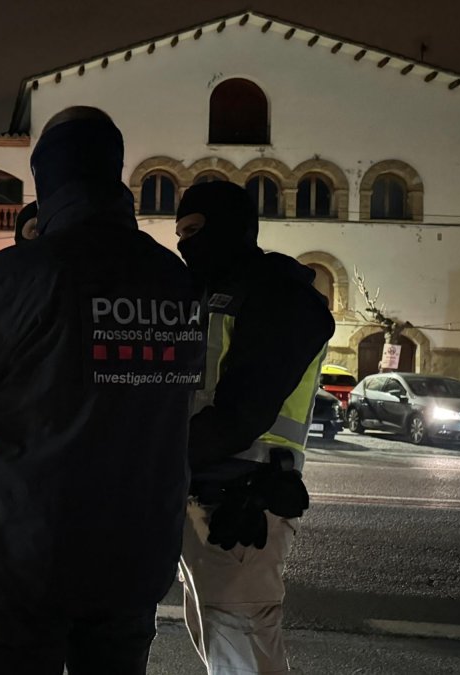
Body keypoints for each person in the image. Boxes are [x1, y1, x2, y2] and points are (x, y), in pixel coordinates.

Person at [0, 106, 205, 675]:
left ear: (47, 177)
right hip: (136, 551)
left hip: (23, 549)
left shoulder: (13, 275)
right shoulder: (175, 278)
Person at [173, 180, 335, 675]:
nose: (185, 244)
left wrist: (157, 459)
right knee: (219, 641)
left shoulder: (278, 295)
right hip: (206, 495)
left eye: (197, 230)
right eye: (181, 233)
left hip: (245, 502)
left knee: (243, 649)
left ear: (232, 228)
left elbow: (241, 414)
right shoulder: (210, 293)